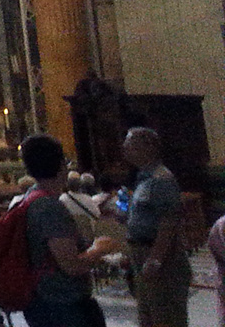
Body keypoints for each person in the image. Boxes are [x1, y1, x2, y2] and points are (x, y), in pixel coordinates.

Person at [20, 133, 123, 327]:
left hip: (45, 301)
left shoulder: (31, 196)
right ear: (61, 166)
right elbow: (71, 266)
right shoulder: (49, 207)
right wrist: (100, 248)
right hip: (62, 304)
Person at [123, 127, 189, 327]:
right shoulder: (143, 177)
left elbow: (169, 220)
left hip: (159, 254)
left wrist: (156, 259)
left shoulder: (161, 179)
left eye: (130, 144)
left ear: (148, 147)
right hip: (141, 251)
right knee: (148, 314)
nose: (125, 148)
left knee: (165, 314)